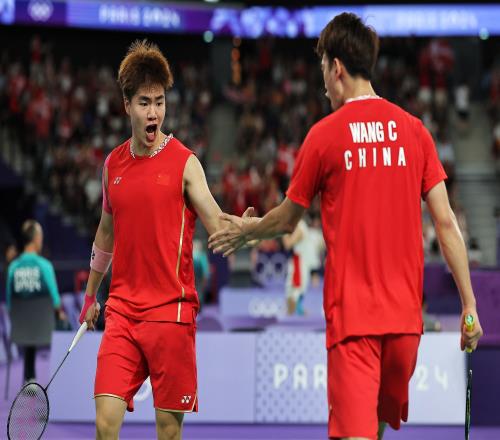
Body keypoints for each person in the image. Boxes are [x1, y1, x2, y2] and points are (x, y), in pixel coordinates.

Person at [209, 13, 483, 440]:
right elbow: (446, 223)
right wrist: (469, 304)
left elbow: (287, 219)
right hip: (406, 325)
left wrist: (247, 231)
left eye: (323, 69)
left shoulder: (324, 136)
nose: (323, 84)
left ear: (336, 67)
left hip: (354, 321)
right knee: (374, 427)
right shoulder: (415, 131)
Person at [78, 40, 248, 440]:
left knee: (168, 432)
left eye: (159, 102)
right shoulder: (113, 165)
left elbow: (215, 219)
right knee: (104, 423)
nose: (153, 112)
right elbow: (106, 232)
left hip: (171, 314)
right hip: (122, 312)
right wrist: (90, 294)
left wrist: (244, 229)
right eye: (144, 103)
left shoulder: (185, 163)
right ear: (126, 106)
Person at [6, 220, 65, 382]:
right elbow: (56, 302)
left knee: (29, 323)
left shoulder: (13, 268)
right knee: (63, 323)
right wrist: (60, 314)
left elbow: (10, 304)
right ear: (37, 238)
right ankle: (63, 378)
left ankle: (29, 377)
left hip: (20, 330)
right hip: (44, 329)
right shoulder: (45, 266)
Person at [282, 219, 311, 315]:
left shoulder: (300, 227)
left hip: (299, 264)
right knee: (292, 290)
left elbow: (287, 244)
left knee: (295, 290)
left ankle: (293, 313)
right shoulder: (299, 225)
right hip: (299, 262)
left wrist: (282, 228)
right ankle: (294, 312)